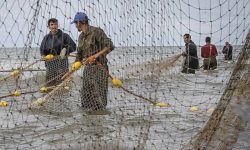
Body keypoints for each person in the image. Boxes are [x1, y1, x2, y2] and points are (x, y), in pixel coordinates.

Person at [71, 12, 115, 111]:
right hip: (88, 70)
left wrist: (95, 56)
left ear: (78, 22)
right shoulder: (81, 36)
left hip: (100, 69)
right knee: (86, 97)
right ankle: (88, 121)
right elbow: (79, 54)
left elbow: (110, 46)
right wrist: (74, 67)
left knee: (98, 98)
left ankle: (100, 119)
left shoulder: (96, 31)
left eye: (75, 23)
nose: (75, 26)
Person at [40, 18, 76, 86]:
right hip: (50, 65)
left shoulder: (64, 36)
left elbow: (74, 46)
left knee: (63, 85)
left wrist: (66, 50)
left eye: (55, 24)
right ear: (49, 27)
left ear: (58, 25)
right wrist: (43, 55)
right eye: (52, 24)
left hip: (62, 64)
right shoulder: (46, 38)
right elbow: (42, 49)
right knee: (49, 85)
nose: (54, 26)